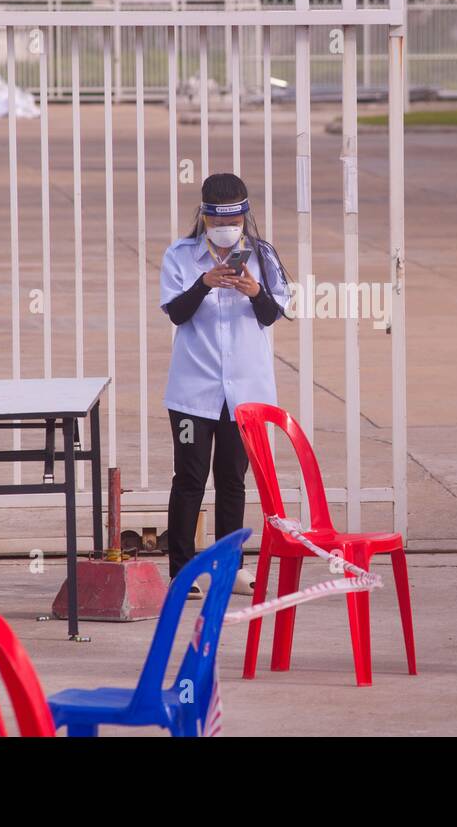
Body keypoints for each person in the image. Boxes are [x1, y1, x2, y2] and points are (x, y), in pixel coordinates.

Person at [160, 173, 290, 598]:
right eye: (217, 220)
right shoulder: (181, 255)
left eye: (233, 219)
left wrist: (254, 291)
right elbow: (177, 313)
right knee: (190, 479)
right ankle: (181, 569)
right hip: (193, 391)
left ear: (244, 214)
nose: (225, 229)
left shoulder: (263, 257)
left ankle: (229, 566)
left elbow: (273, 314)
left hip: (245, 392)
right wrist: (204, 283)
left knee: (232, 480)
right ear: (204, 216)